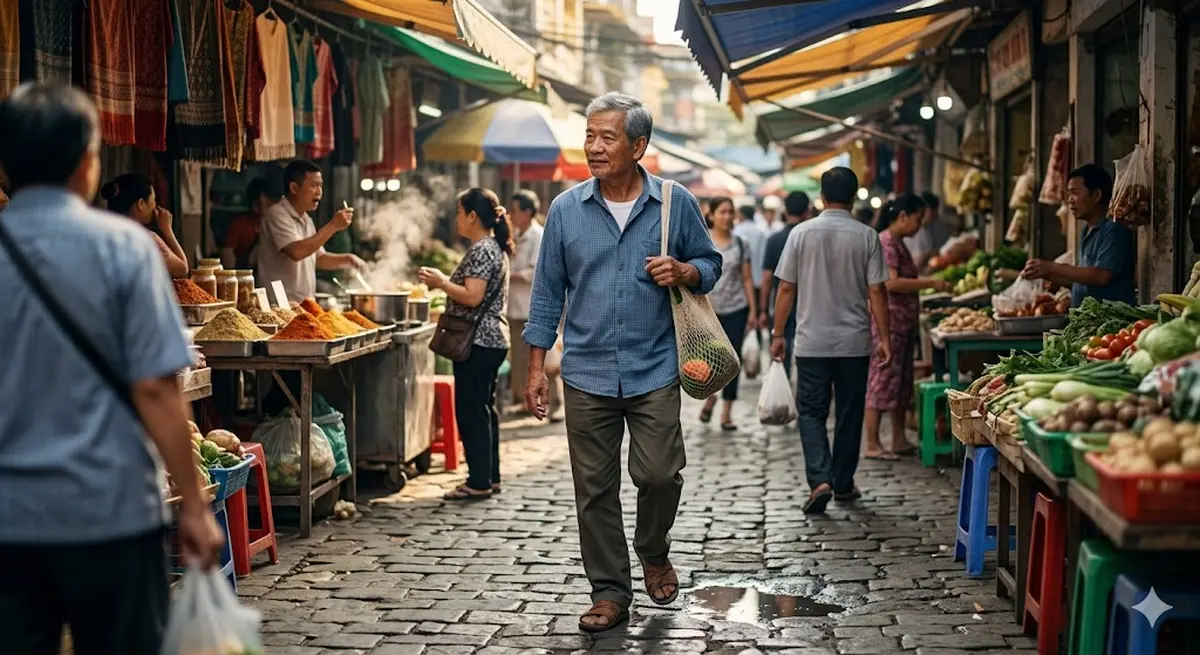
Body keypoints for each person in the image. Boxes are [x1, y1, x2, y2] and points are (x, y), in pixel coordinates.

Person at [0, 82, 223, 654]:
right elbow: (155, 387)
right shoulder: (125, 247)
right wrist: (195, 507)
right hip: (112, 513)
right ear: (87, 163)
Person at [522, 92, 722, 632]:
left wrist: (685, 271)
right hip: (585, 371)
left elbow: (712, 262)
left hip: (655, 366)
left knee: (659, 474)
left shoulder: (675, 203)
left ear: (639, 145)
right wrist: (536, 366)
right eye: (590, 136)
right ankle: (610, 591)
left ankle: (653, 549)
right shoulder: (566, 210)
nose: (594, 147)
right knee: (594, 490)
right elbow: (546, 295)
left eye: (607, 137)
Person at [770, 167, 891, 514]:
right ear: (854, 197)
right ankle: (842, 482)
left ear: (821, 197)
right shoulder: (867, 236)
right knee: (850, 414)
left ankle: (820, 479)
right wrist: (884, 338)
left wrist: (778, 334)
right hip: (854, 343)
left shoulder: (801, 234)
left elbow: (787, 288)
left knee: (810, 413)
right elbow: (877, 292)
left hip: (811, 342)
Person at [418, 189, 512, 501]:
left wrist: (441, 282)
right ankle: (489, 476)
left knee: (472, 411)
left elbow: (472, 296)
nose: (456, 218)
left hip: (479, 341)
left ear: (473, 216)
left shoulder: (482, 249)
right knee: (484, 410)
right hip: (490, 339)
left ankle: (479, 481)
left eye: (460, 212)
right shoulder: (490, 247)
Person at [864, 194, 952, 460]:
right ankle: (872, 443)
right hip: (888, 324)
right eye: (917, 220)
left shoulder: (897, 243)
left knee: (900, 383)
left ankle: (899, 438)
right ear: (902, 217)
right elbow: (890, 283)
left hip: (902, 325)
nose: (919, 226)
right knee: (882, 381)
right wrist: (931, 284)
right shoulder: (887, 242)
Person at [1021, 164, 1135, 306]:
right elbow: (1082, 281)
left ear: (1096, 195)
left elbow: (1101, 276)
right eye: (1069, 194)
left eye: (1075, 193)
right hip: (1088, 321)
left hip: (1111, 321)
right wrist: (1048, 275)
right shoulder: (1086, 232)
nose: (1070, 200)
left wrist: (1053, 267)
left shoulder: (1114, 230)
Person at [258, 159, 366, 302]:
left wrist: (348, 259)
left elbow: (319, 258)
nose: (319, 192)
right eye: (314, 185)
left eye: (321, 186)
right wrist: (333, 225)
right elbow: (296, 252)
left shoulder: (306, 219)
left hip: (305, 305)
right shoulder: (276, 214)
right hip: (280, 306)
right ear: (294, 188)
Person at [700, 196, 758, 430]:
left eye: (730, 212)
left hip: (736, 309)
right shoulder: (702, 242)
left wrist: (754, 311)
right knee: (709, 360)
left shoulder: (741, 243)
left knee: (732, 362)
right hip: (708, 311)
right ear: (711, 215)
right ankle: (711, 396)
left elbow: (746, 278)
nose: (726, 216)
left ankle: (727, 412)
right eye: (722, 212)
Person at [759, 191, 810, 378]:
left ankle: (784, 388)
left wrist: (763, 310)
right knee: (807, 360)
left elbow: (766, 278)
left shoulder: (774, 240)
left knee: (781, 351)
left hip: (780, 304)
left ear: (785, 210)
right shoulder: (810, 238)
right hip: (809, 305)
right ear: (807, 211)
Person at [100, 173, 189, 278]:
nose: (155, 206)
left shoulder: (101, 235)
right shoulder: (146, 239)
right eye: (153, 200)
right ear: (141, 204)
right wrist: (167, 230)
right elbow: (182, 270)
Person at [507, 190, 543, 409]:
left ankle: (555, 404)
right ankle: (523, 399)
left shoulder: (538, 236)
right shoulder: (517, 235)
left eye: (515, 210)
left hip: (531, 307)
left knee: (541, 361)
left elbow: (536, 271)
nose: (511, 215)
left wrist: (510, 275)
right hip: (514, 306)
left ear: (527, 212)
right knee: (519, 360)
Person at [221, 177, 278, 270]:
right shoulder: (240, 224)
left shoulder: (280, 224)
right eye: (257, 200)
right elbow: (227, 254)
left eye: (271, 201)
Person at [732, 202, 767, 346]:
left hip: (740, 282)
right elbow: (764, 257)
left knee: (743, 314)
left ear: (741, 215)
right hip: (758, 279)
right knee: (757, 312)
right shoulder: (761, 232)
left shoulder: (736, 231)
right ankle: (756, 341)